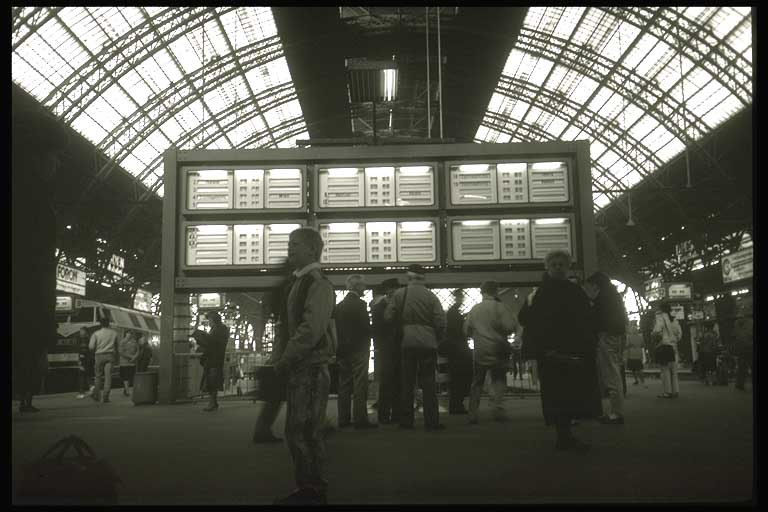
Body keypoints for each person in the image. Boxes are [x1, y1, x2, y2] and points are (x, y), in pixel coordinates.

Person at [272, 227, 336, 505]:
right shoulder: (302, 281)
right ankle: (309, 487)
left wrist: (287, 356)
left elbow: (311, 328)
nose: (290, 249)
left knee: (304, 430)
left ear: (312, 248)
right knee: (301, 429)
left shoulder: (316, 283)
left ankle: (312, 489)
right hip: (305, 365)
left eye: (295, 244)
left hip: (309, 365)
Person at [517, 250, 601, 451]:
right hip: (564, 352)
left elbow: (524, 319)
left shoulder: (538, 293)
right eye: (554, 264)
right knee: (568, 394)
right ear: (547, 267)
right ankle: (565, 436)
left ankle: (563, 435)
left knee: (556, 395)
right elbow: (586, 319)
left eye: (560, 264)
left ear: (567, 267)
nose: (557, 267)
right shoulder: (575, 291)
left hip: (552, 353)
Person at [385, 264, 447, 432]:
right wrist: (437, 338)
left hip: (407, 342)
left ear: (409, 277)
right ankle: (431, 421)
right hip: (428, 343)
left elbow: (388, 316)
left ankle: (406, 421)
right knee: (428, 382)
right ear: (423, 277)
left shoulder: (399, 294)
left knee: (407, 383)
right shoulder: (431, 296)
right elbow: (441, 321)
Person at [464, 280, 517, 424]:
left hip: (480, 349)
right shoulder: (500, 307)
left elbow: (466, 330)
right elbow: (510, 327)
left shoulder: (475, 309)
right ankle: (497, 408)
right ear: (496, 291)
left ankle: (473, 413)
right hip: (498, 349)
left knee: (477, 382)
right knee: (498, 379)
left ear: (482, 292)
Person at [585, 272, 628, 425]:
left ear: (597, 284)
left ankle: (617, 413)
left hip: (606, 336)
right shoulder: (614, 296)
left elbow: (596, 319)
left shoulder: (602, 298)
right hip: (616, 336)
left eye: (591, 285)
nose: (590, 288)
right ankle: (616, 411)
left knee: (611, 374)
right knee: (614, 372)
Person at [335, 274, 377, 429]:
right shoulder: (360, 305)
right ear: (357, 286)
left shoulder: (339, 306)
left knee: (344, 384)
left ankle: (343, 419)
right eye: (363, 285)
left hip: (343, 349)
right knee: (360, 384)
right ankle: (360, 419)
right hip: (359, 348)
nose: (364, 288)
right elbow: (365, 327)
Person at [371, 278, 402, 424]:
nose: (395, 291)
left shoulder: (378, 306)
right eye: (393, 288)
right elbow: (377, 329)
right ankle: (385, 415)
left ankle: (393, 414)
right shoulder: (383, 306)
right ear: (388, 290)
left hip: (389, 347)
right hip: (388, 347)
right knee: (388, 382)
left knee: (393, 381)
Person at [193, 311, 229, 411]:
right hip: (214, 358)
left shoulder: (219, 330)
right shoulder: (219, 329)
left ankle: (212, 403)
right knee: (212, 381)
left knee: (212, 381)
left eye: (210, 320)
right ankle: (214, 402)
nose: (209, 322)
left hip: (214, 359)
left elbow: (213, 343)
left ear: (214, 320)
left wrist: (202, 338)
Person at [445, 289, 472, 415]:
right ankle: (457, 404)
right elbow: (461, 330)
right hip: (459, 349)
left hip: (454, 349)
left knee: (456, 377)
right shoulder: (455, 313)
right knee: (460, 377)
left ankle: (455, 404)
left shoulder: (452, 313)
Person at [652, 303, 683, 399]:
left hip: (663, 346)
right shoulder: (674, 319)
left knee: (665, 370)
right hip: (673, 347)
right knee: (673, 370)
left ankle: (667, 392)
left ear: (661, 309)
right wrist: (674, 340)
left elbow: (657, 329)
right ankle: (675, 391)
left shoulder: (660, 317)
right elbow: (679, 333)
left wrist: (653, 332)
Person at [89, 316, 120, 403]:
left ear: (100, 324)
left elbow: (91, 347)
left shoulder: (96, 334)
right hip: (110, 356)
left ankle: (96, 395)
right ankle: (106, 396)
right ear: (108, 324)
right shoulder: (114, 333)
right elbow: (117, 346)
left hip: (99, 355)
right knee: (108, 377)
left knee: (98, 376)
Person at [732, 316, 753, 391]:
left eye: (741, 317)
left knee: (745, 366)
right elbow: (734, 337)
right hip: (742, 349)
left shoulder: (750, 323)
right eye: (739, 317)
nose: (739, 319)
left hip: (749, 348)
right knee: (742, 367)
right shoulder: (737, 324)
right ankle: (739, 384)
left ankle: (739, 384)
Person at [118, 330, 139, 397]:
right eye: (128, 333)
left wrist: (134, 357)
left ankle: (125, 389)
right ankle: (127, 391)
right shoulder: (122, 342)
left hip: (132, 363)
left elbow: (138, 350)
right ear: (125, 334)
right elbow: (121, 352)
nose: (129, 335)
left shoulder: (134, 342)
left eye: (130, 334)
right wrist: (131, 357)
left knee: (129, 377)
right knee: (125, 377)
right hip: (124, 363)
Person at [76, 327, 96, 399]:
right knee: (88, 375)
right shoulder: (90, 339)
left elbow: (82, 352)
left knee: (81, 376)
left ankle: (81, 393)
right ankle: (92, 387)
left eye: (81, 331)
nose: (80, 333)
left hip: (85, 360)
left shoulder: (84, 340)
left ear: (85, 332)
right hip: (90, 360)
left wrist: (80, 362)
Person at [625, 323, 646, 387]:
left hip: (631, 354)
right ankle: (642, 381)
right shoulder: (640, 336)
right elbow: (643, 345)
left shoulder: (629, 337)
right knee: (639, 368)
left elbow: (627, 345)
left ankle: (636, 380)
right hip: (639, 354)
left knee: (633, 369)